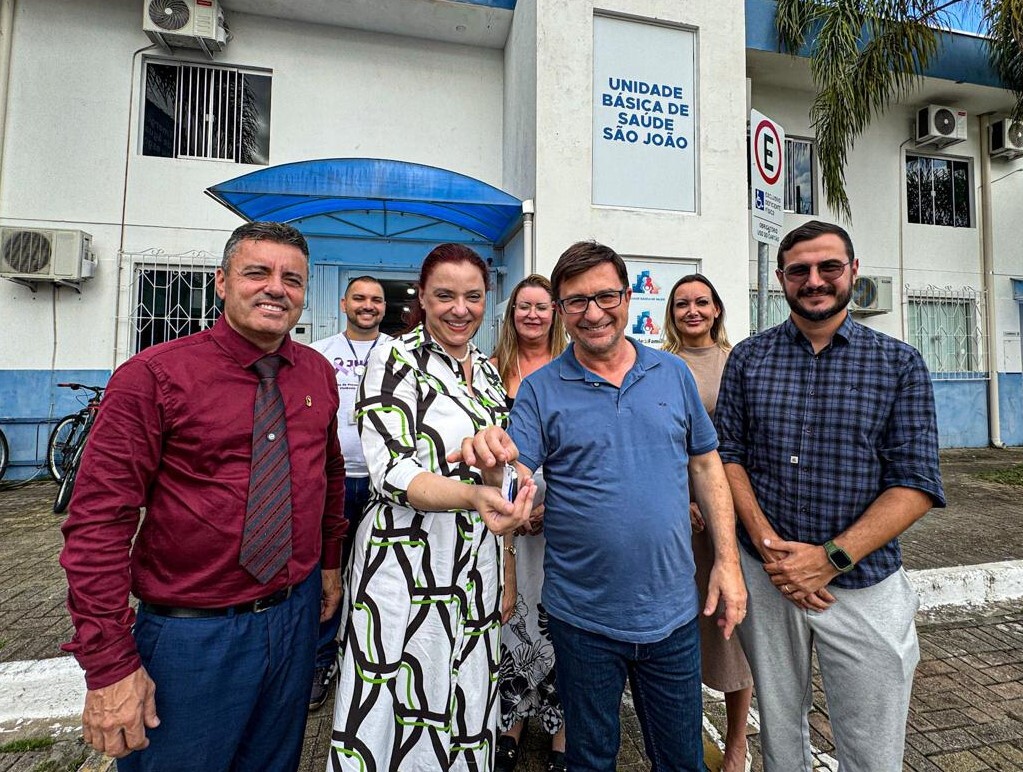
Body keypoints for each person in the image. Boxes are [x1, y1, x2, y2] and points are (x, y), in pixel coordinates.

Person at [59, 221, 347, 771]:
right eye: (257, 272)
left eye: (292, 279)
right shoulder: (152, 377)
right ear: (221, 281)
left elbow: (329, 474)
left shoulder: (317, 374)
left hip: (294, 618)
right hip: (191, 635)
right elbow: (98, 523)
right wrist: (109, 664)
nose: (276, 288)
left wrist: (329, 564)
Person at [467, 241, 747, 772]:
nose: (593, 313)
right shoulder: (541, 389)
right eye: (576, 301)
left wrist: (728, 563)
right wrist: (491, 466)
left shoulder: (672, 373)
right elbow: (515, 473)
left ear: (627, 297)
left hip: (673, 612)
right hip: (582, 619)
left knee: (681, 759)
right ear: (561, 310)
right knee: (591, 758)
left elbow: (707, 465)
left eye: (605, 297)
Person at [715, 220, 946, 771]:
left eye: (829, 267)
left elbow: (916, 483)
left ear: (853, 271)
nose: (814, 280)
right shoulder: (749, 358)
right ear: (780, 278)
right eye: (799, 270)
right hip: (769, 577)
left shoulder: (899, 363)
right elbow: (729, 455)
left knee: (872, 748)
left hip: (863, 581)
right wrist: (767, 544)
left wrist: (830, 558)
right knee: (780, 738)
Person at [328, 243, 536, 771]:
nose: (460, 309)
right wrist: (472, 494)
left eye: (473, 296)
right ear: (421, 297)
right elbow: (392, 472)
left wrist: (507, 551)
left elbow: (496, 470)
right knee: (396, 705)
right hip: (405, 562)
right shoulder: (394, 358)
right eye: (444, 296)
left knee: (465, 696)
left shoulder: (487, 372)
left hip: (477, 564)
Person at [662, 274, 753, 772]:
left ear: (717, 308)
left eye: (701, 302)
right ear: (671, 313)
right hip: (677, 518)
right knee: (685, 629)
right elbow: (658, 443)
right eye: (682, 304)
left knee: (732, 630)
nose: (692, 311)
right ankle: (687, 732)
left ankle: (737, 741)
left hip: (729, 514)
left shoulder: (738, 362)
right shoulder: (659, 365)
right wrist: (681, 499)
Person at [489, 274, 568, 772]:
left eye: (542, 306)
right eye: (524, 306)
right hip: (504, 513)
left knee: (559, 619)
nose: (533, 315)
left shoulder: (571, 367)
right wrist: (511, 508)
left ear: (554, 313)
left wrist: (547, 508)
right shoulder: (491, 368)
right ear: (512, 313)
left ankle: (562, 731)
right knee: (511, 616)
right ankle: (511, 723)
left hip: (563, 510)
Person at [307, 275, 392, 711]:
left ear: (384, 307)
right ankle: (321, 660)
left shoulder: (400, 353)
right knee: (327, 573)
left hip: (383, 483)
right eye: (359, 298)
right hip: (332, 482)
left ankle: (370, 657)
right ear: (344, 304)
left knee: (379, 577)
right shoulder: (319, 353)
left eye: (376, 299)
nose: (368, 305)